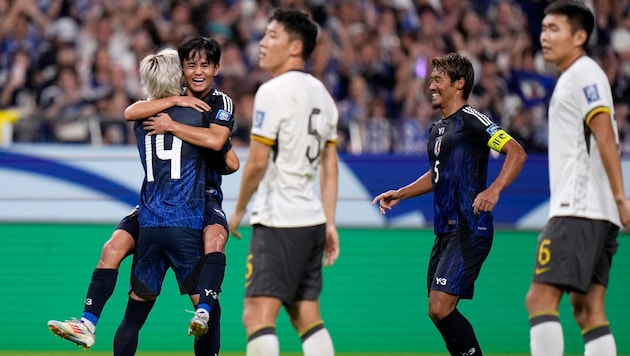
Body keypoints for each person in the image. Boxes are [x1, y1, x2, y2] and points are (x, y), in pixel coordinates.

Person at [47, 37, 236, 351]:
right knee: (121, 253)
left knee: (127, 281)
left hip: (179, 203)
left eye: (204, 65)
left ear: (216, 68)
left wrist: (173, 122)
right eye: (191, 65)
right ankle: (88, 322)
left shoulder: (206, 104)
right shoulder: (187, 106)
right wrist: (178, 103)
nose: (197, 71)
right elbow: (231, 160)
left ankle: (89, 320)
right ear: (180, 74)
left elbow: (224, 155)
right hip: (179, 208)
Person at [371, 52, 527, 356]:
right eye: (431, 79)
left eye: (437, 80)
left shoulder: (472, 120)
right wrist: (400, 193)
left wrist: (494, 189)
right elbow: (439, 174)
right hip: (445, 230)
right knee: (436, 309)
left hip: (470, 226)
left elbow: (515, 151)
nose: (430, 86)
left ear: (459, 84)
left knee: (441, 307)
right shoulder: (439, 129)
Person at [227, 9, 339, 356]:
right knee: (306, 314)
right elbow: (330, 167)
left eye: (272, 36)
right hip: (311, 221)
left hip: (279, 220)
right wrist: (330, 223)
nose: (262, 42)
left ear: (295, 46)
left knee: (256, 315)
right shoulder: (324, 95)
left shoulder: (272, 92)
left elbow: (257, 163)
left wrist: (239, 209)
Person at [525, 2, 630, 356]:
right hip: (598, 213)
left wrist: (621, 198)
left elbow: (604, 135)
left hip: (578, 208)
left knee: (539, 298)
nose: (544, 36)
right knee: (588, 312)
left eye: (555, 28)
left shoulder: (583, 73)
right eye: (543, 28)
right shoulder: (577, 75)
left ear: (580, 36)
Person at [111, 48, 216, 356]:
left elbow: (131, 110)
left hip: (150, 224)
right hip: (185, 221)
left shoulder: (140, 118)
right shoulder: (197, 113)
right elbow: (223, 153)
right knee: (208, 309)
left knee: (133, 316)